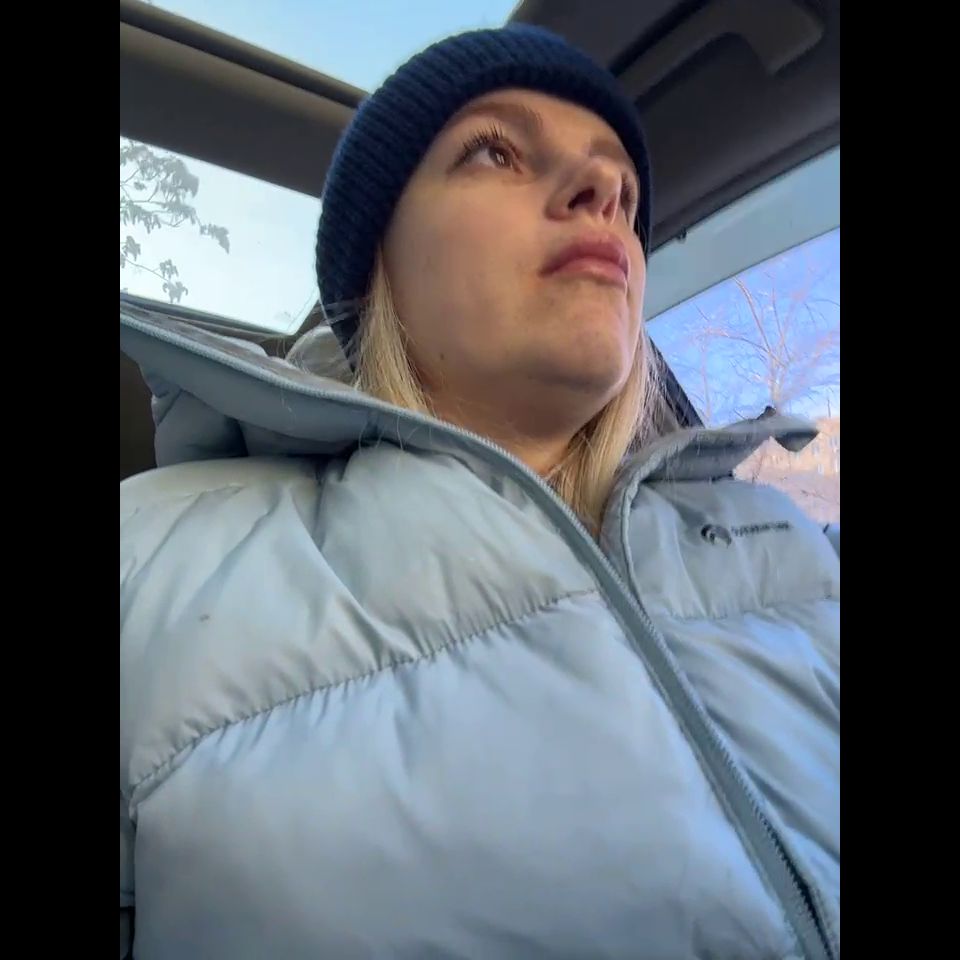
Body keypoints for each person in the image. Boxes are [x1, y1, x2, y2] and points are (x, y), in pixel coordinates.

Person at [119, 24, 839, 960]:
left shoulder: (786, 537)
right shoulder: (147, 561)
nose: (604, 190)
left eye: (624, 191)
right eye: (495, 150)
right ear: (376, 262)